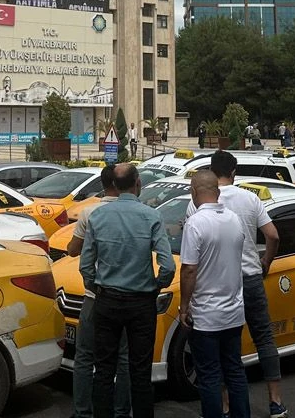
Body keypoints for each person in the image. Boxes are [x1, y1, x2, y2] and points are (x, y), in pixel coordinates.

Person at [186, 152, 287, 418]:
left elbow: (193, 254)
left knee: (219, 350)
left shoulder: (198, 202)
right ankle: (275, 402)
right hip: (251, 276)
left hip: (217, 281)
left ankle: (224, 405)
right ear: (233, 172)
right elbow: (273, 235)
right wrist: (265, 261)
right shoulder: (250, 198)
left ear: (211, 172)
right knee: (263, 337)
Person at [80, 163, 176, 418]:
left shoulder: (98, 216)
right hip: (141, 302)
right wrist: (157, 286)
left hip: (107, 301)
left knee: (103, 370)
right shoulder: (151, 216)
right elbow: (167, 265)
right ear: (138, 183)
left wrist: (95, 285)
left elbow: (85, 264)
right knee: (140, 372)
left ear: (113, 184)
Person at [180, 170, 251, 418]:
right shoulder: (234, 219)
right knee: (235, 370)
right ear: (217, 192)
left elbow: (189, 270)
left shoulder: (195, 223)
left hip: (206, 315)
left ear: (193, 192)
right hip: (233, 312)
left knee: (209, 375)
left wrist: (184, 307)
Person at [67, 166, 132, 418]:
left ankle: (82, 411)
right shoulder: (136, 213)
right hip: (126, 295)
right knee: (123, 358)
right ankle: (121, 411)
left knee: (85, 356)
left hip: (95, 297)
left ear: (105, 185)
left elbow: (73, 250)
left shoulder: (89, 213)